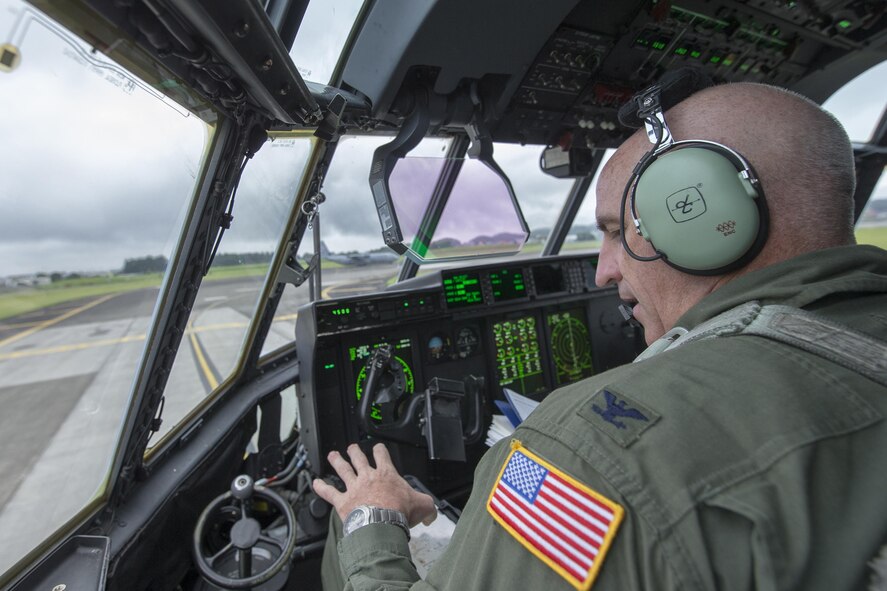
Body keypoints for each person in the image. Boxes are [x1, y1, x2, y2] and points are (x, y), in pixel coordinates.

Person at [312, 82, 887, 590]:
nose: (604, 272)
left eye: (618, 232)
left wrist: (373, 518)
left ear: (703, 215)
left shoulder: (579, 451)